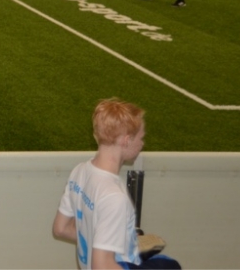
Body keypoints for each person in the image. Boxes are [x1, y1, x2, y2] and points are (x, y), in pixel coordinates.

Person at [52, 98, 180, 269]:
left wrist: (118, 243)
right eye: (141, 138)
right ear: (126, 140)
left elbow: (60, 229)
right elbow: (102, 267)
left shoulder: (80, 171)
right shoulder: (114, 197)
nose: (142, 144)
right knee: (169, 265)